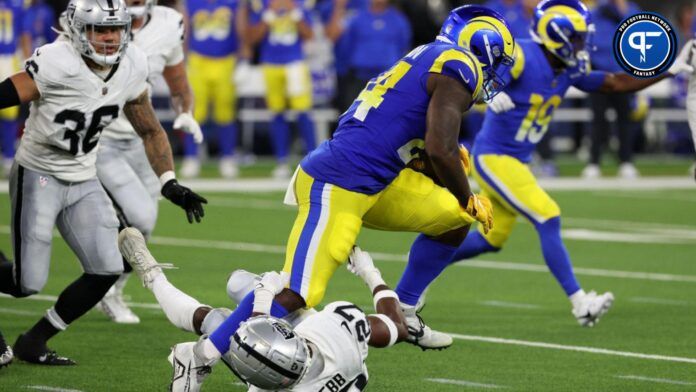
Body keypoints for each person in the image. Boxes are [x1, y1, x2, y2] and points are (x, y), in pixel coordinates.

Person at [192, 6, 513, 367]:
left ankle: (404, 308)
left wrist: (451, 185)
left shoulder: (429, 56)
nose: (498, 71)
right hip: (340, 181)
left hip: (376, 180)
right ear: (483, 48)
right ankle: (200, 356)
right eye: (499, 59)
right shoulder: (460, 65)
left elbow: (416, 143)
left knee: (454, 218)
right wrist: (466, 193)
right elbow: (441, 148)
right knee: (299, 292)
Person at [394, 0, 695, 328]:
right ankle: (581, 302)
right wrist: (489, 95)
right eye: (577, 38)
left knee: (490, 240)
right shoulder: (521, 56)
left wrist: (671, 69)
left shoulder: (568, 68)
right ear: (557, 36)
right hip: (495, 157)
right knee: (548, 215)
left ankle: (419, 271)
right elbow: (478, 73)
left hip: (516, 161)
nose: (582, 45)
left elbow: (614, 84)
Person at [0, 0, 207, 365]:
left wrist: (169, 182)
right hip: (40, 172)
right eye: (100, 29)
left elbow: (149, 128)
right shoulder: (55, 60)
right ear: (80, 29)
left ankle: (34, 341)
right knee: (25, 284)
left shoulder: (132, 64)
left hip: (83, 174)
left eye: (115, 28)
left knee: (106, 269)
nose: (110, 38)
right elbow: (5, 94)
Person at [117, 227, 408, 391]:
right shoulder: (341, 331)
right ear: (298, 340)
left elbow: (255, 336)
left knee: (217, 321)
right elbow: (397, 325)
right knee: (238, 283)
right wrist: (370, 274)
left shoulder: (265, 383)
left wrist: (264, 295)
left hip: (286, 361)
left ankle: (154, 278)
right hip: (319, 342)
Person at [94, 0, 203, 325]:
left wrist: (185, 111)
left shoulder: (169, 22)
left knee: (146, 222)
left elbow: (178, 78)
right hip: (99, 137)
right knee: (136, 217)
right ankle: (104, 286)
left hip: (144, 136)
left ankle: (111, 288)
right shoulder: (93, 16)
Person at [248, 0, 317, 179]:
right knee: (277, 113)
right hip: (270, 64)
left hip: (295, 63)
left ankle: (314, 160)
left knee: (303, 112)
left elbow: (309, 34)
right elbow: (252, 38)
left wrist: (294, 13)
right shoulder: (261, 5)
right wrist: (269, 14)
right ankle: (281, 161)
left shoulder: (300, 4)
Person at [181, 0, 243, 179]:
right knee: (194, 111)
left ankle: (227, 157)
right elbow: (184, 32)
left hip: (226, 60)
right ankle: (191, 157)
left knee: (225, 111)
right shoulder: (191, 3)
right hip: (198, 60)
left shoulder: (233, 3)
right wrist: (183, 59)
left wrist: (242, 58)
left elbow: (240, 30)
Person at [581, 0, 642, 179]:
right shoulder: (597, 11)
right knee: (598, 119)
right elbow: (592, 42)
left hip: (624, 75)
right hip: (601, 74)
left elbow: (637, 37)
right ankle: (594, 162)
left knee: (625, 119)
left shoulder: (632, 10)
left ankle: (626, 162)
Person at [341, 0, 412, 110]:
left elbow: (403, 46)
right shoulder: (356, 18)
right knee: (354, 114)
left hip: (388, 79)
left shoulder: (398, 20)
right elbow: (347, 45)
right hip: (359, 78)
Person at [0, 0, 25, 177]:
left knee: (9, 111)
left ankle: (8, 155)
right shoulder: (17, 4)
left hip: (9, 57)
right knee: (8, 112)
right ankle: (8, 156)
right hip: (8, 59)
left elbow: (24, 32)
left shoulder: (17, 4)